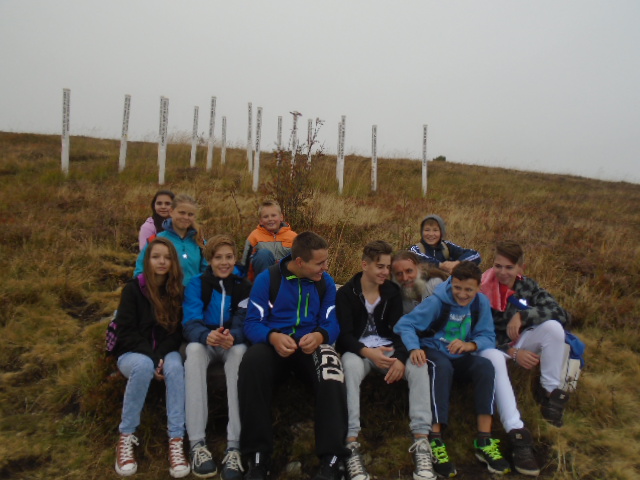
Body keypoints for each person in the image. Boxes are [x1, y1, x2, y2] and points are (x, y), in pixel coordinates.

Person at [394, 254, 540, 475]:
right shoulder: (437, 301)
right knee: (442, 367)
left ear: (478, 288)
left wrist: (470, 345)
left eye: (468, 290)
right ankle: (435, 440)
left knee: (485, 366)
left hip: (460, 353)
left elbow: (487, 335)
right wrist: (414, 348)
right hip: (434, 349)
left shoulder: (481, 303)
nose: (462, 294)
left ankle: (484, 439)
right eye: (457, 288)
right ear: (451, 283)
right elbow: (405, 324)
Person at [238, 231, 349, 480]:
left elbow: (331, 322)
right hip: (275, 345)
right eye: (319, 263)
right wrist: (272, 337)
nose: (325, 267)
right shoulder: (268, 279)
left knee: (331, 369)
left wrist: (320, 336)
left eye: (326, 261)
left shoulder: (325, 282)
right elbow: (252, 323)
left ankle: (332, 459)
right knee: (251, 363)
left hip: (310, 345)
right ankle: (258, 457)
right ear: (300, 262)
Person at [336, 241, 436, 480]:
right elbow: (344, 337)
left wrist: (400, 358)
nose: (385, 272)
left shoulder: (391, 291)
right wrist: (368, 352)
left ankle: (421, 440)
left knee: (418, 364)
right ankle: (351, 442)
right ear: (365, 265)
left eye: (387, 267)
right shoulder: (347, 294)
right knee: (349, 366)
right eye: (380, 267)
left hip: (389, 349)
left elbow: (400, 329)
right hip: (360, 352)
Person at [111, 237, 189, 478]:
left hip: (165, 352)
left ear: (173, 262)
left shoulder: (177, 291)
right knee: (144, 366)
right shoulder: (133, 289)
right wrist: (153, 358)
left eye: (167, 257)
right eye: (156, 257)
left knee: (175, 368)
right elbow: (126, 332)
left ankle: (176, 440)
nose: (162, 262)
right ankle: (126, 436)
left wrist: (161, 356)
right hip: (133, 353)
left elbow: (177, 332)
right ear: (147, 260)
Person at [182, 235, 252, 479]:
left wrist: (234, 336)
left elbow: (245, 319)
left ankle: (234, 445)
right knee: (193, 351)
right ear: (209, 260)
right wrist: (206, 335)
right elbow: (190, 321)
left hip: (230, 341)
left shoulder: (243, 285)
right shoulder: (196, 284)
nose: (224, 262)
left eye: (229, 257)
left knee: (240, 352)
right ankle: (197, 444)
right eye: (218, 257)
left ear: (235, 258)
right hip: (206, 340)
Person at [481, 240, 572, 427]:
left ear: (520, 268)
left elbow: (561, 313)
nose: (502, 272)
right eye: (498, 266)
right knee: (494, 357)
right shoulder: (481, 288)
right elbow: (476, 331)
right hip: (492, 347)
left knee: (553, 328)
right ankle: (512, 423)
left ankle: (549, 394)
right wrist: (512, 352)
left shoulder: (527, 286)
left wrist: (523, 316)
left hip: (519, 339)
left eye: (509, 267)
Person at [135, 194, 207, 286]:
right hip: (165, 294)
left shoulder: (200, 242)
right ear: (171, 211)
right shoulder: (155, 240)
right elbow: (140, 272)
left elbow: (208, 273)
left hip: (194, 294)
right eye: (182, 213)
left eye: (190, 214)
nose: (186, 217)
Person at [240, 199, 297, 281]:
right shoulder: (254, 237)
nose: (270, 219)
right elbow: (245, 263)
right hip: (264, 277)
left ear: (281, 217)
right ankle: (264, 286)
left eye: (273, 215)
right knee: (263, 254)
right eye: (266, 217)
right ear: (261, 221)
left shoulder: (293, 237)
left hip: (286, 278)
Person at [409, 215, 481, 274]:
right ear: (422, 232)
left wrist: (457, 263)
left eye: (435, 230)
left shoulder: (446, 246)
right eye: (427, 230)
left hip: (448, 283)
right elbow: (414, 257)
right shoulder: (415, 248)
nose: (431, 234)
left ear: (441, 233)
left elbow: (475, 255)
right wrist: (440, 265)